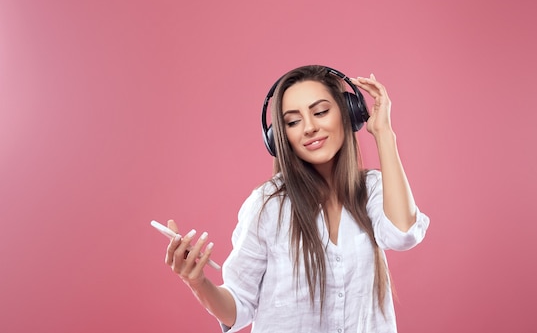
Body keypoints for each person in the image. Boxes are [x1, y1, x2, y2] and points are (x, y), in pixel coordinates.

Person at [162, 65, 430, 332]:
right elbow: (238, 306)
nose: (310, 127)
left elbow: (403, 233)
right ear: (279, 138)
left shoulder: (372, 189)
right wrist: (197, 282)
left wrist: (384, 133)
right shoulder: (268, 205)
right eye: (293, 121)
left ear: (349, 113)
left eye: (321, 112)